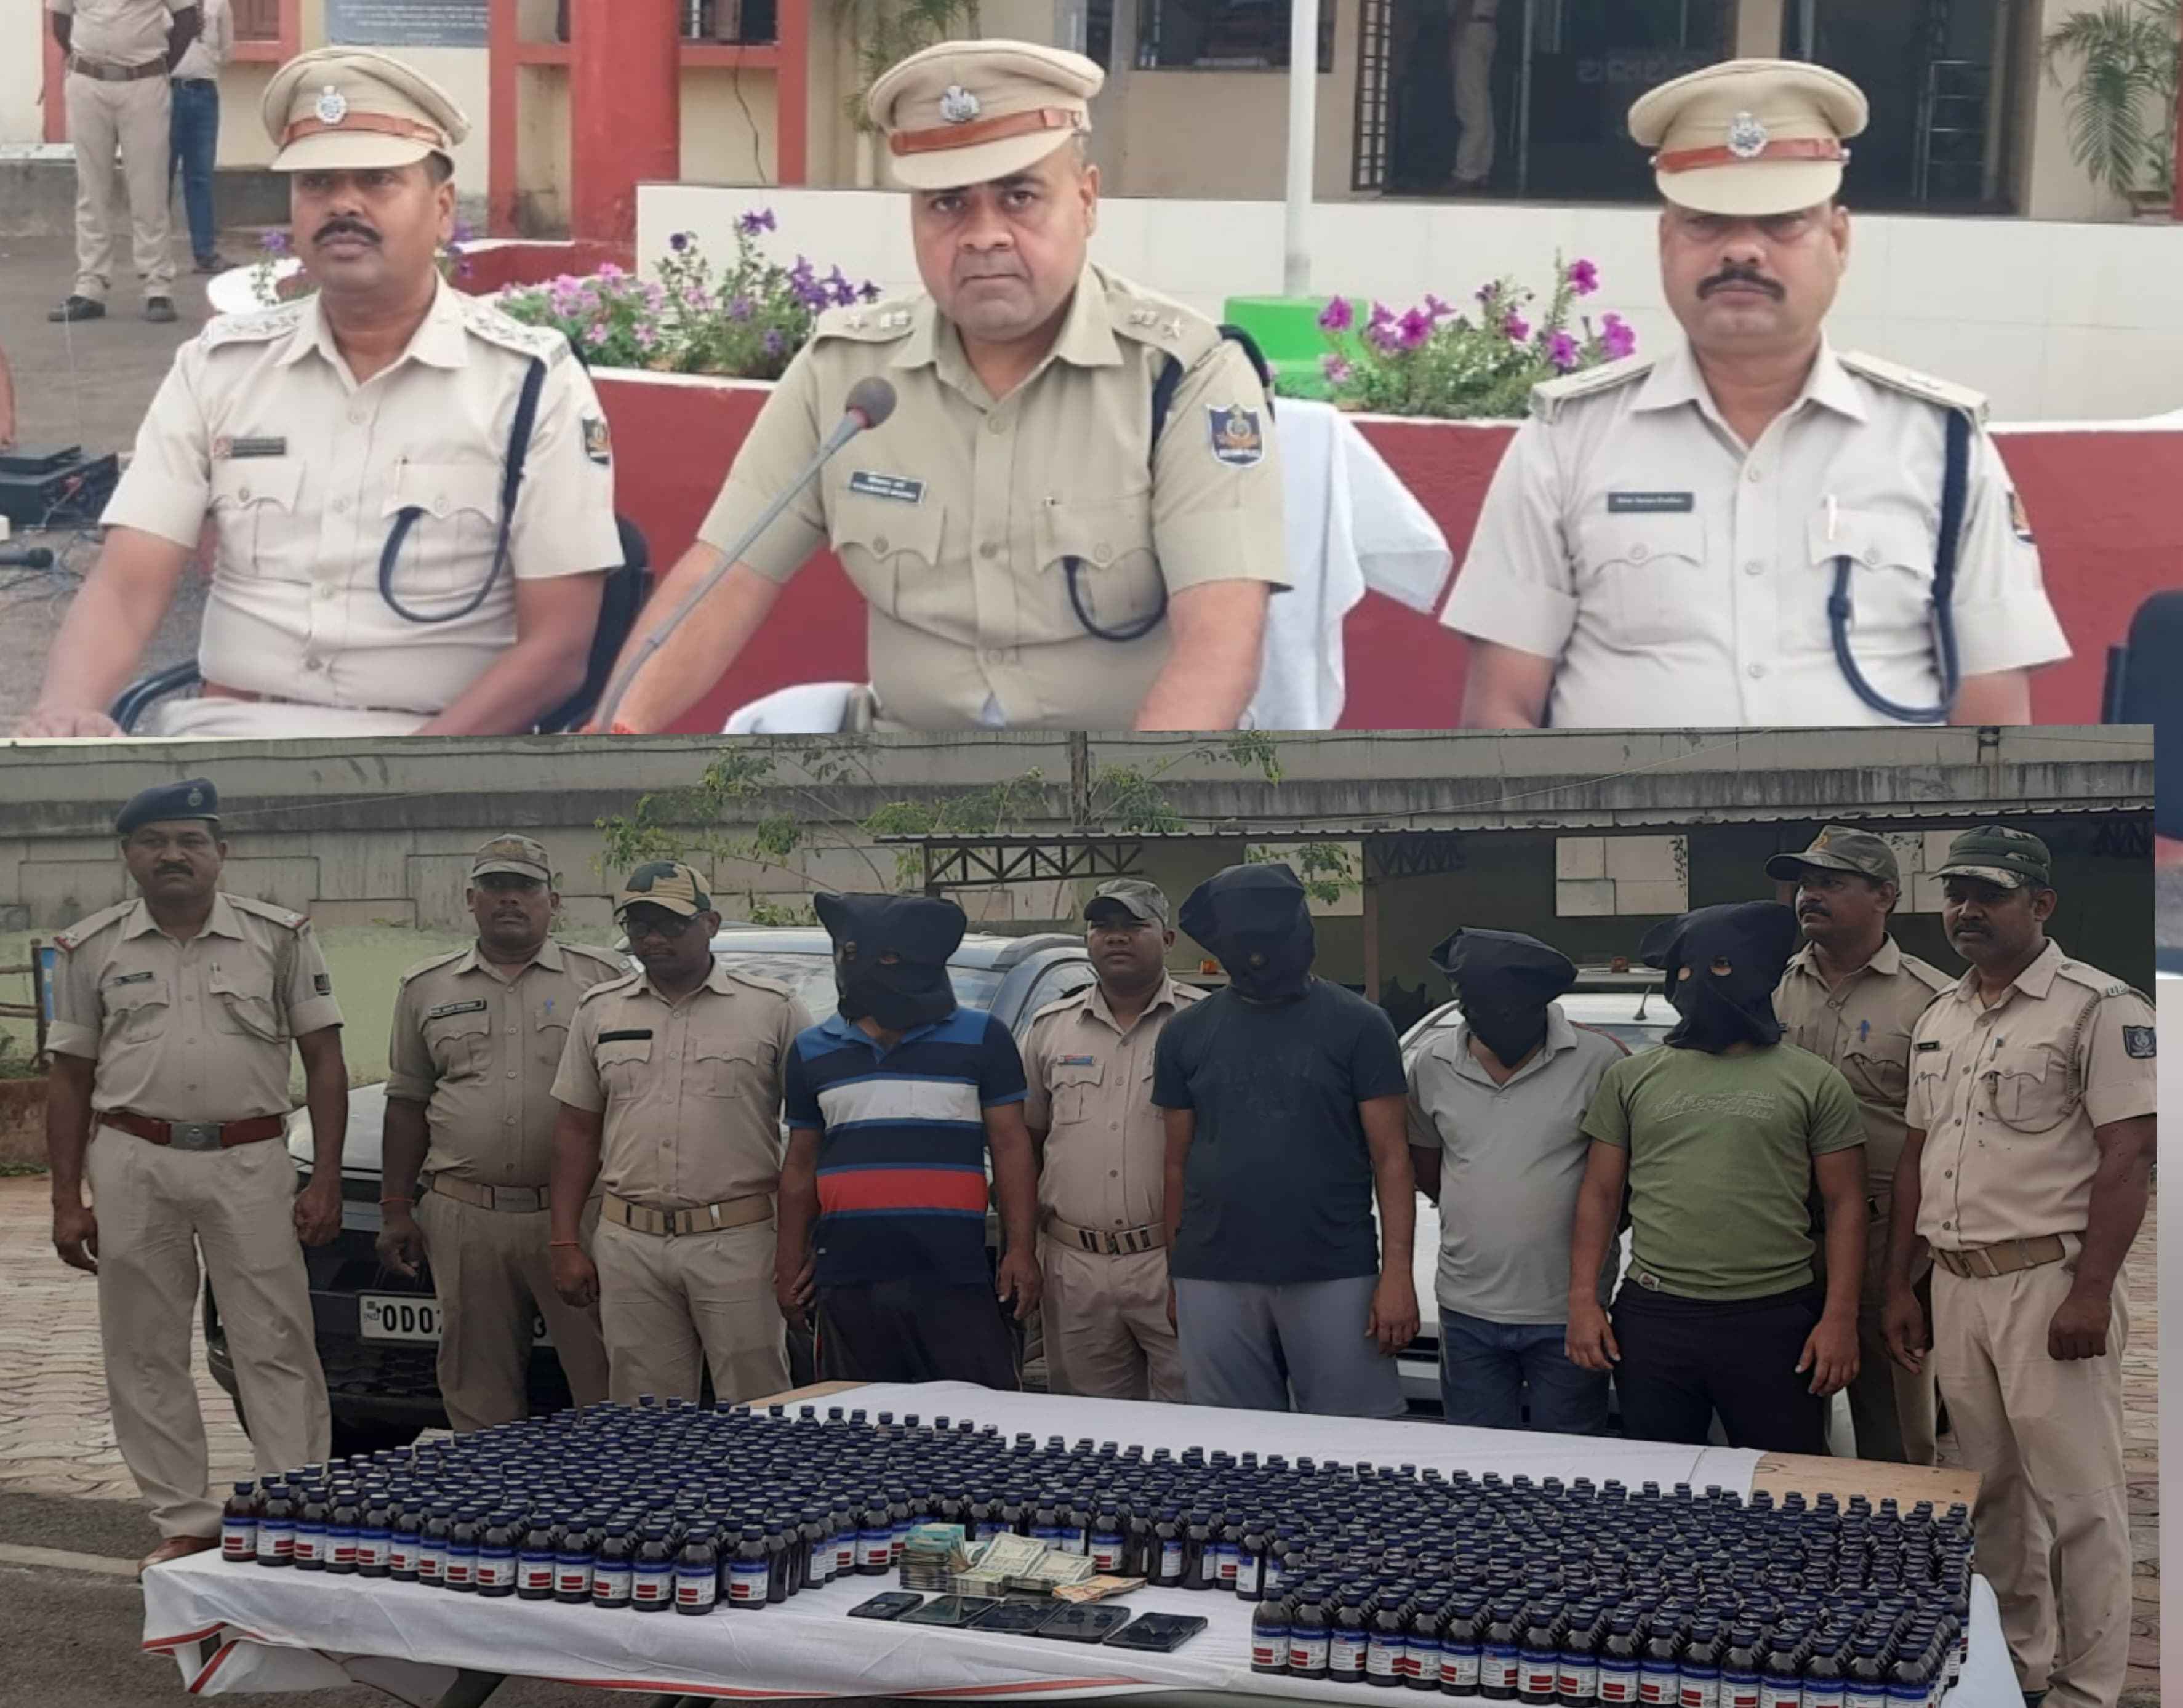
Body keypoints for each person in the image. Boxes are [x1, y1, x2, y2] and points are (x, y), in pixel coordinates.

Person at [599, 38, 1289, 734]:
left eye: (1019, 197)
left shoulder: (1184, 375)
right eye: (947, 203)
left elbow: (1220, 634)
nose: (983, 236)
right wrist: (610, 740)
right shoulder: (847, 375)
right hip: (905, 773)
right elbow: (723, 579)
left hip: (1119, 772)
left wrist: (1126, 801)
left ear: (1085, 201)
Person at [18, 46, 623, 741]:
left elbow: (557, 650)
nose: (343, 204)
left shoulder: (529, 384)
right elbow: (128, 585)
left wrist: (395, 780)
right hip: (226, 739)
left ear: (443, 209)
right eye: (317, 183)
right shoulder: (220, 367)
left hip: (441, 752)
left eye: (377, 180)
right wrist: (66, 711)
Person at [1444, 59, 2068, 731]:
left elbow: (1993, 725)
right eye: (1706, 222)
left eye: (1782, 222)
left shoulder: (1940, 445)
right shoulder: (1569, 439)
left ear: (1838, 240)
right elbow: (1500, 710)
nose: (1741, 251)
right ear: (1665, 241)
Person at [1882, 827, 2154, 1708]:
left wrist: (2090, 1292)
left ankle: (2087, 1686)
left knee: (2079, 1501)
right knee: (1992, 1493)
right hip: (1956, 1285)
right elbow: (1917, 1158)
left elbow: (2128, 1156)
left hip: (2048, 1284)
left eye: (1989, 894)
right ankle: (2015, 1666)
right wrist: (1900, 1283)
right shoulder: (1940, 1014)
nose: (1966, 910)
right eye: (1955, 893)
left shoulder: (2097, 1007)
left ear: (2040, 904)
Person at [44, 778, 339, 1576]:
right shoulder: (90, 947)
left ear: (220, 852)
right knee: (143, 1347)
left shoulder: (278, 937)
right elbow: (69, 1077)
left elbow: (324, 1059)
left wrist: (325, 1177)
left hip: (251, 1158)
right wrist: (67, 1198)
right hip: (133, 1160)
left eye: (190, 840)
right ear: (128, 854)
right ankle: (185, 1519)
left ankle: (290, 1512)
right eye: (154, 841)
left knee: (275, 1340)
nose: (172, 854)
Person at [1566, 900, 1865, 1453]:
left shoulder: (1814, 1081)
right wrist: (1584, 1300)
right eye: (1682, 970)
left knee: (1782, 1480)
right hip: (1655, 1314)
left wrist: (1839, 1318)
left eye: (1721, 966)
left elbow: (1845, 1202)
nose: (1698, 982)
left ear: (1758, 974)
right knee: (1659, 1481)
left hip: (1773, 1315)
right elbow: (1601, 1194)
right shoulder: (1631, 1078)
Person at [376, 836, 623, 1432]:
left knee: (605, 1371)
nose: (509, 899)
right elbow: (407, 1102)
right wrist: (396, 1208)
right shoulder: (426, 987)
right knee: (475, 1380)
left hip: (580, 1214)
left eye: (524, 887)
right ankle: (493, 1489)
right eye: (494, 887)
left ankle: (612, 1482)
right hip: (466, 1215)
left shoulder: (604, 981)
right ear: (471, 899)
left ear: (552, 901)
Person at [1156, 863, 1419, 1416]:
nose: (1261, 960)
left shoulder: (1361, 1025)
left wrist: (1397, 1274)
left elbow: (1392, 1158)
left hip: (1334, 1268)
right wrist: (1175, 1273)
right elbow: (1175, 1162)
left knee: (1354, 1441)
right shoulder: (1184, 1032)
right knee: (1231, 1443)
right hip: (1212, 1270)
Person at [547, 862, 809, 1405]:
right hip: (630, 1242)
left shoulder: (772, 1009)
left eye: (670, 923)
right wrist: (565, 1239)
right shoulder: (600, 1010)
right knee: (645, 1412)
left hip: (737, 1239)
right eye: (639, 925)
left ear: (710, 923)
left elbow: (810, 1135)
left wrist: (797, 1247)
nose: (652, 938)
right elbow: (576, 1130)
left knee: (755, 1402)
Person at [775, 892, 1042, 1386]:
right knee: (858, 1418)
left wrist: (1020, 1251)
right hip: (848, 1276)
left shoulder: (983, 1037)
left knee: (973, 1418)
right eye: (847, 952)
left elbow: (1011, 1147)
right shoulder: (812, 1050)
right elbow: (800, 1163)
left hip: (955, 1274)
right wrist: (787, 1260)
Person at [1767, 825, 1952, 1465]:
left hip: (1886, 1245)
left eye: (1831, 882)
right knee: (1782, 1432)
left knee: (1894, 1435)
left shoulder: (1932, 1001)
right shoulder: (1768, 989)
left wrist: (1917, 1272)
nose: (1809, 896)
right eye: (1805, 883)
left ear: (1885, 896)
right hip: (1781, 1239)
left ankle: (1903, 1527)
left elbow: (1946, 1144)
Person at [1406, 926, 1627, 1433]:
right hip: (1465, 1309)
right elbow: (1428, 1168)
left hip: (1566, 1312)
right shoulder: (1431, 1064)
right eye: (1472, 1004)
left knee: (1570, 1460)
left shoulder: (1599, 1061)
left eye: (1504, 1007)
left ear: (1539, 1002)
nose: (1486, 1017)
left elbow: (1619, 1188)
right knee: (1475, 1460)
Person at [1020, 879, 1200, 1401]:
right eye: (1102, 926)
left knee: (1190, 1423)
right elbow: (1026, 1144)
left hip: (1172, 1262)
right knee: (1088, 1429)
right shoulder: (1050, 1028)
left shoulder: (1202, 1022)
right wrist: (1024, 1248)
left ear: (1167, 938)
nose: (1116, 937)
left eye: (1133, 925)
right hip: (1074, 1263)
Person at [47, 0, 198, 326]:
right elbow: (60, 20)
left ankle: (158, 287)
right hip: (87, 82)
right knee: (91, 189)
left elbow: (187, 18)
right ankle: (90, 286)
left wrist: (159, 67)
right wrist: (87, 57)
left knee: (149, 188)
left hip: (144, 83)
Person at [169, 0, 231, 275]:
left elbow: (227, 51)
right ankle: (156, 258)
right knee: (160, 176)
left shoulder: (219, 4)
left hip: (204, 92)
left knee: (200, 177)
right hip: (166, 91)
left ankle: (205, 253)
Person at [1447, 0, 1497, 193]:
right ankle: (1481, 168)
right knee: (1482, 100)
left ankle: (1466, 171)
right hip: (1487, 28)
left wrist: (1454, 42)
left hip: (1471, 29)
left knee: (1470, 103)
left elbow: (1464, 5)